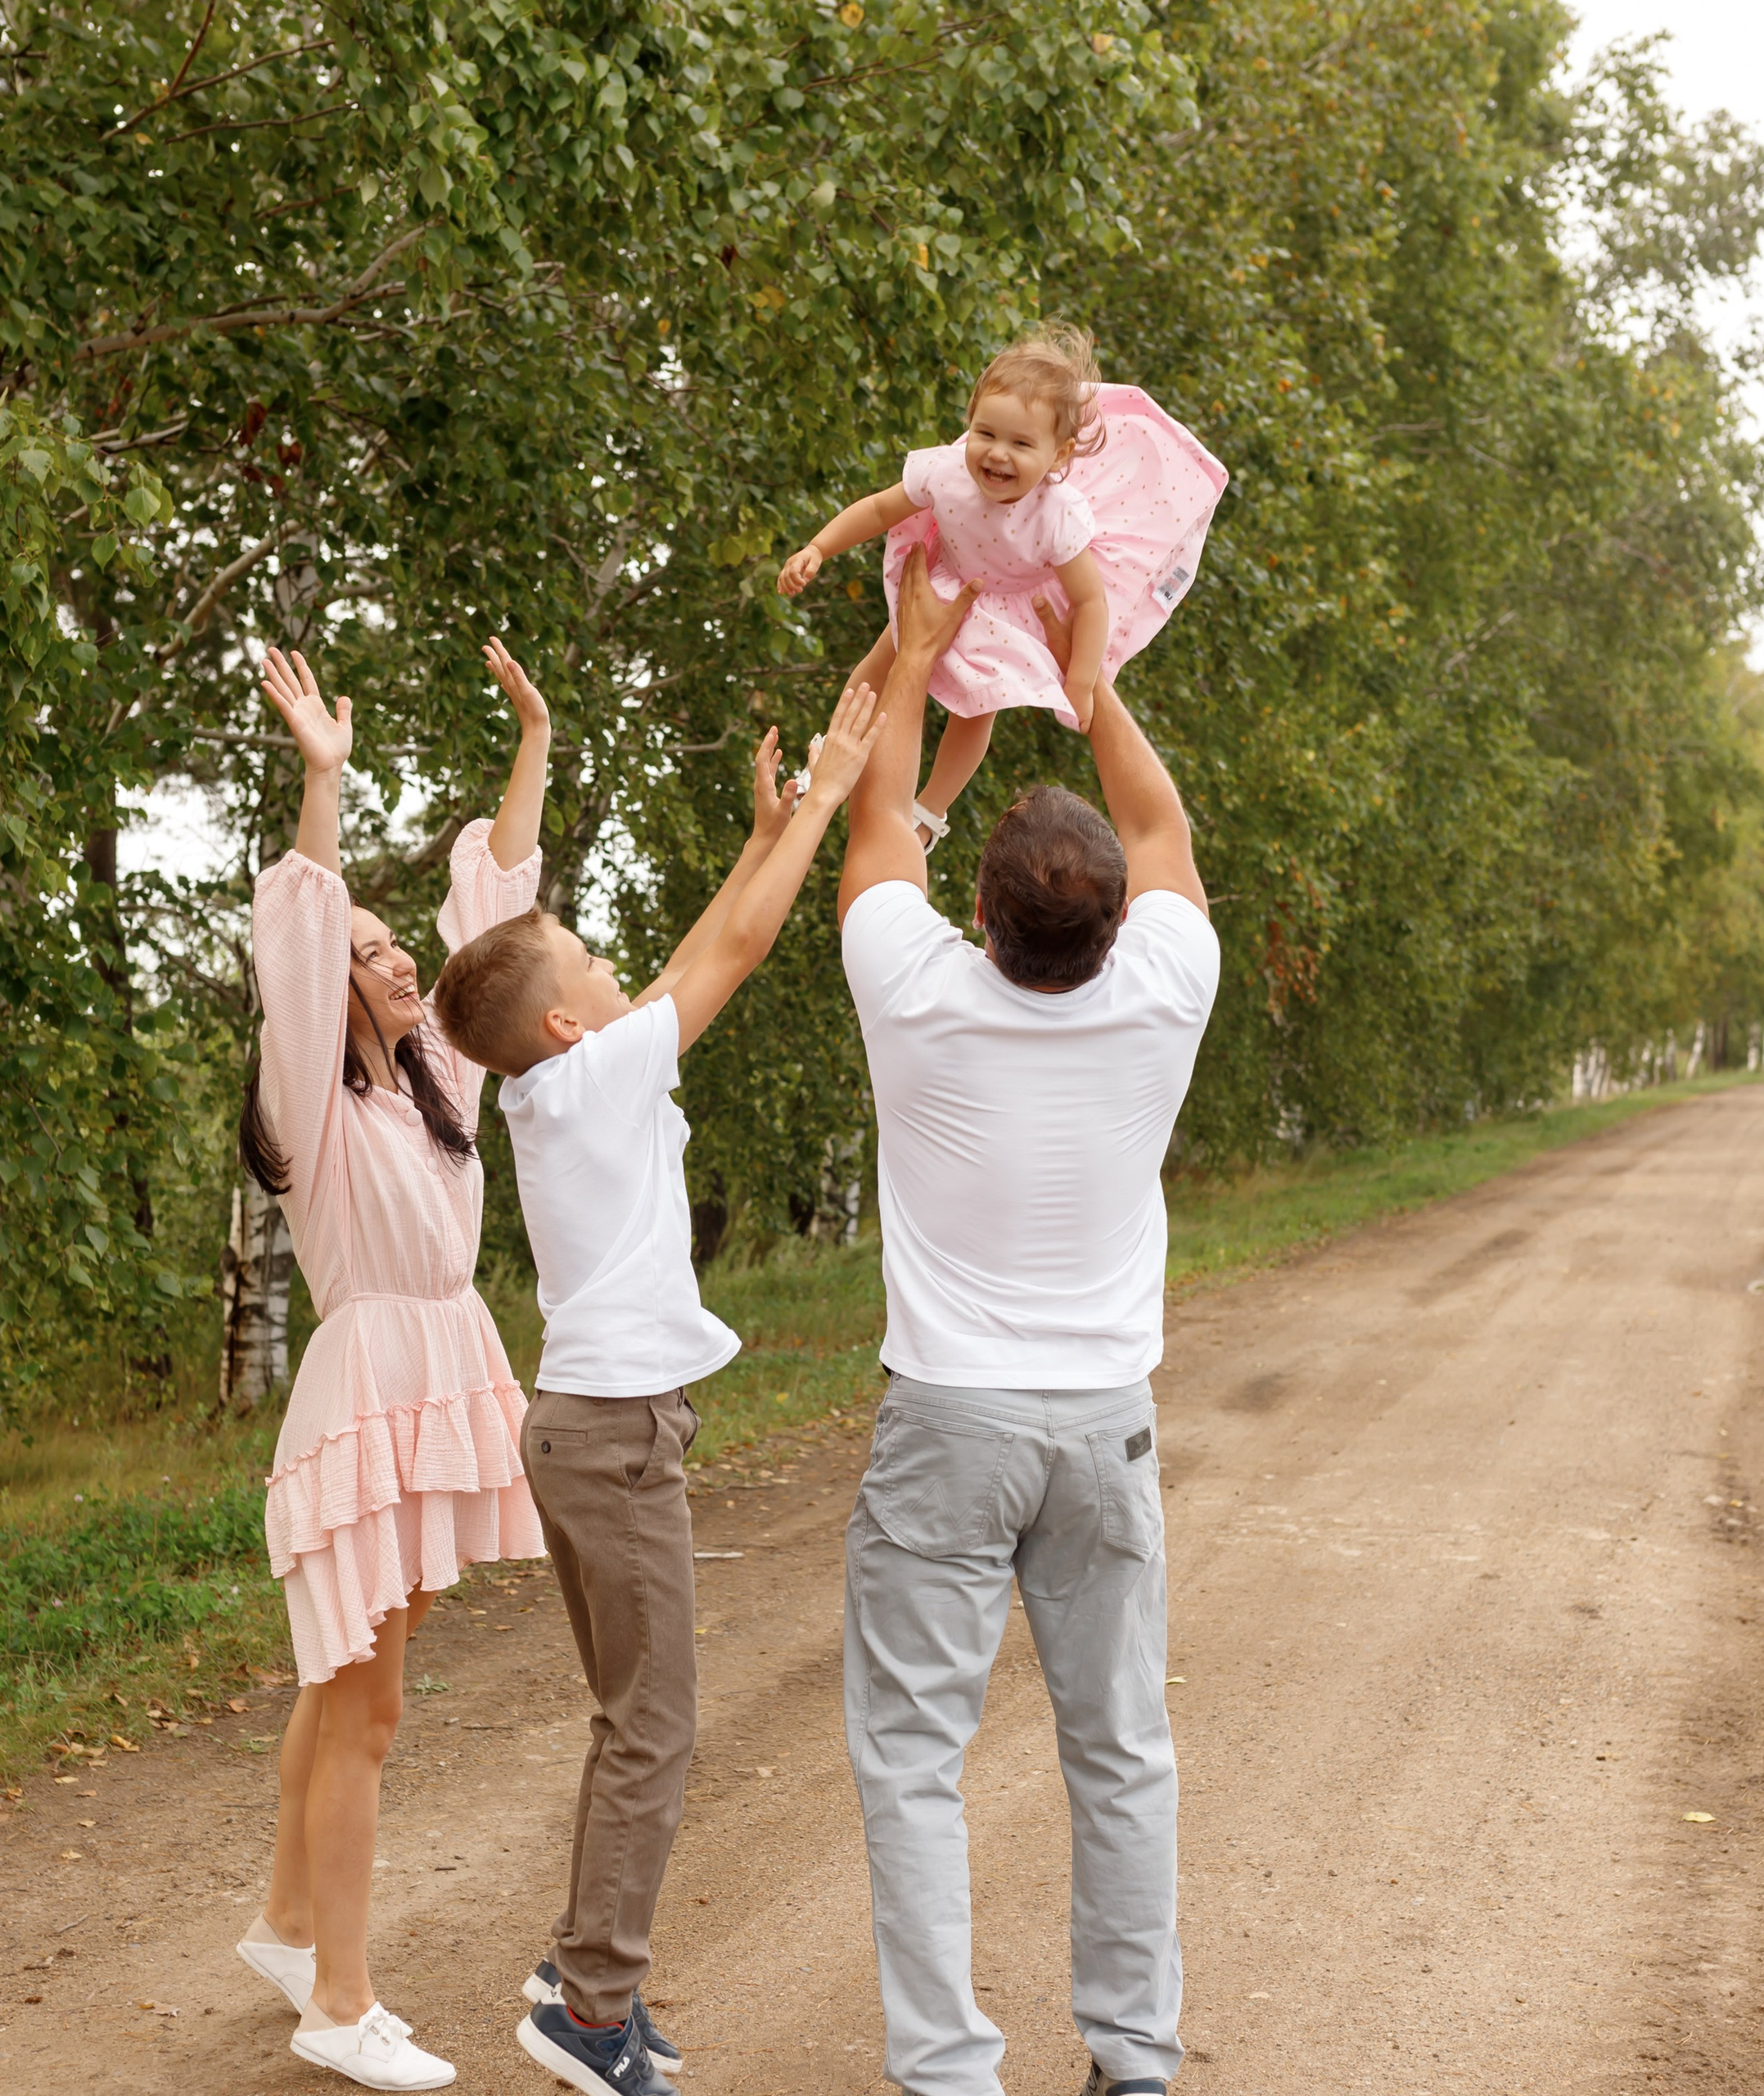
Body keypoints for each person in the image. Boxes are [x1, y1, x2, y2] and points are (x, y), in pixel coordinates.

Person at [431, 682, 888, 2096]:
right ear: (570, 1026)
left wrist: (760, 836)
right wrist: (824, 798)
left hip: (584, 1433)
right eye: (590, 959)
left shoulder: (566, 1081)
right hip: (614, 1441)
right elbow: (734, 956)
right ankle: (586, 2011)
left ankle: (585, 1969)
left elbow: (703, 944)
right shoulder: (590, 1080)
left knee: (631, 1711)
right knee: (657, 1723)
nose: (616, 963)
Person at [836, 548, 1221, 2096]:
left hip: (947, 1426)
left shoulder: (913, 985)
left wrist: (913, 644)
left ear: (980, 912)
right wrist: (1095, 676)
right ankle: (1134, 2063)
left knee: (914, 1769)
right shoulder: (1166, 985)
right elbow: (1161, 824)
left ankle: (947, 2075)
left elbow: (875, 825)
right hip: (1102, 1428)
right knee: (1121, 1756)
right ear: (1116, 925)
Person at [234, 638, 553, 2092]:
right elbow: (296, 957)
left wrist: (532, 748)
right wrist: (324, 781)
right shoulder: (312, 1109)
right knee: (363, 1702)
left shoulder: (439, 1094)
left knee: (353, 1685)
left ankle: (294, 1930)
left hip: (441, 1375)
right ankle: (340, 2001)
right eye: (370, 950)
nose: (394, 956)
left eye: (391, 942)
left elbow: (498, 925)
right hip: (374, 1389)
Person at [778, 323, 1225, 851]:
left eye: (1021, 444)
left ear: (1058, 457)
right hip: (947, 582)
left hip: (1007, 607)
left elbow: (1089, 601)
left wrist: (1081, 682)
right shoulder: (946, 472)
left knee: (975, 708)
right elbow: (879, 508)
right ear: (971, 423)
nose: (997, 455)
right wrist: (817, 548)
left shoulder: (1056, 517)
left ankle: (930, 810)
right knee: (877, 669)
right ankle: (832, 756)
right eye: (987, 434)